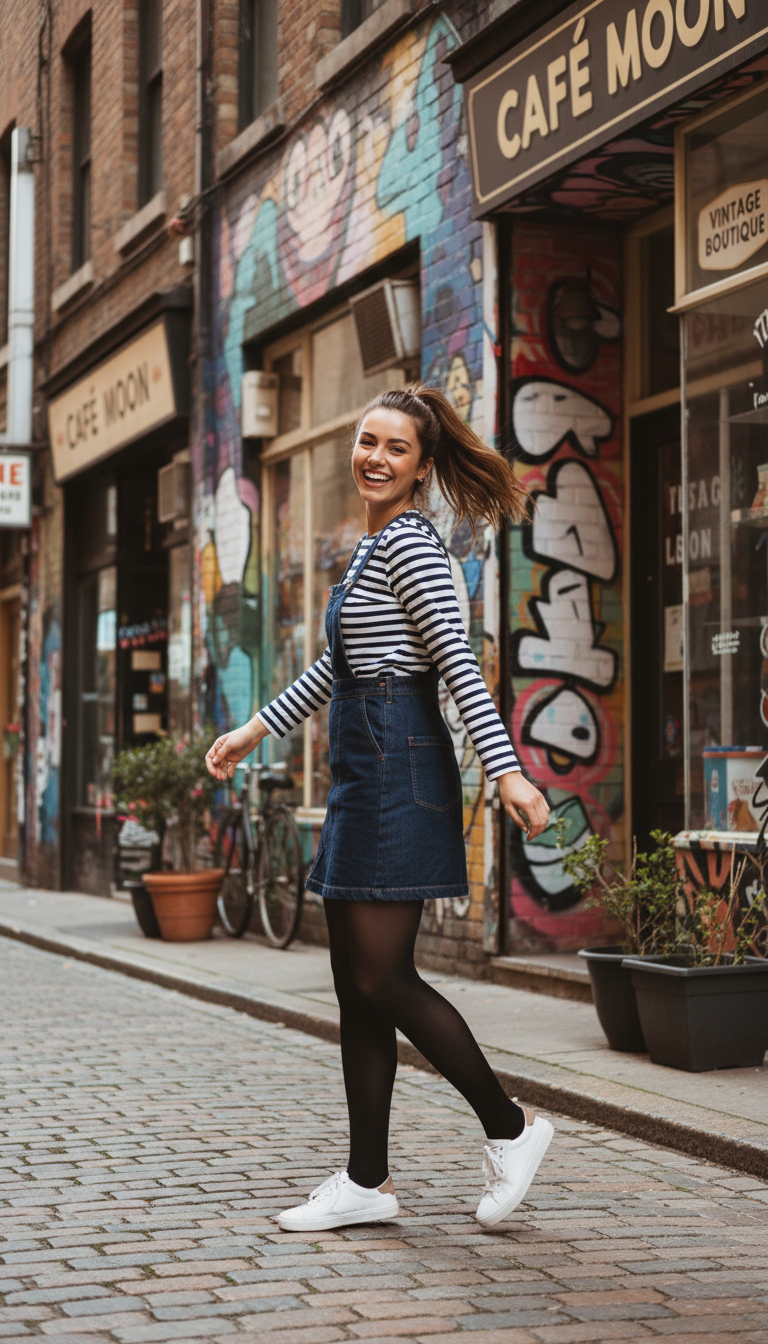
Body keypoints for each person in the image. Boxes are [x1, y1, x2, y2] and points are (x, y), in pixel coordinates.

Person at [206, 385, 552, 1233]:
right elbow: (337, 668)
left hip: (399, 764)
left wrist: (508, 772)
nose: (376, 457)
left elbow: (458, 664)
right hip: (364, 766)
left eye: (397, 448)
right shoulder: (370, 549)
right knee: (354, 987)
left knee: (382, 976)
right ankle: (367, 1180)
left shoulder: (412, 547)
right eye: (368, 441)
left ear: (423, 467)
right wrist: (254, 730)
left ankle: (511, 1128)